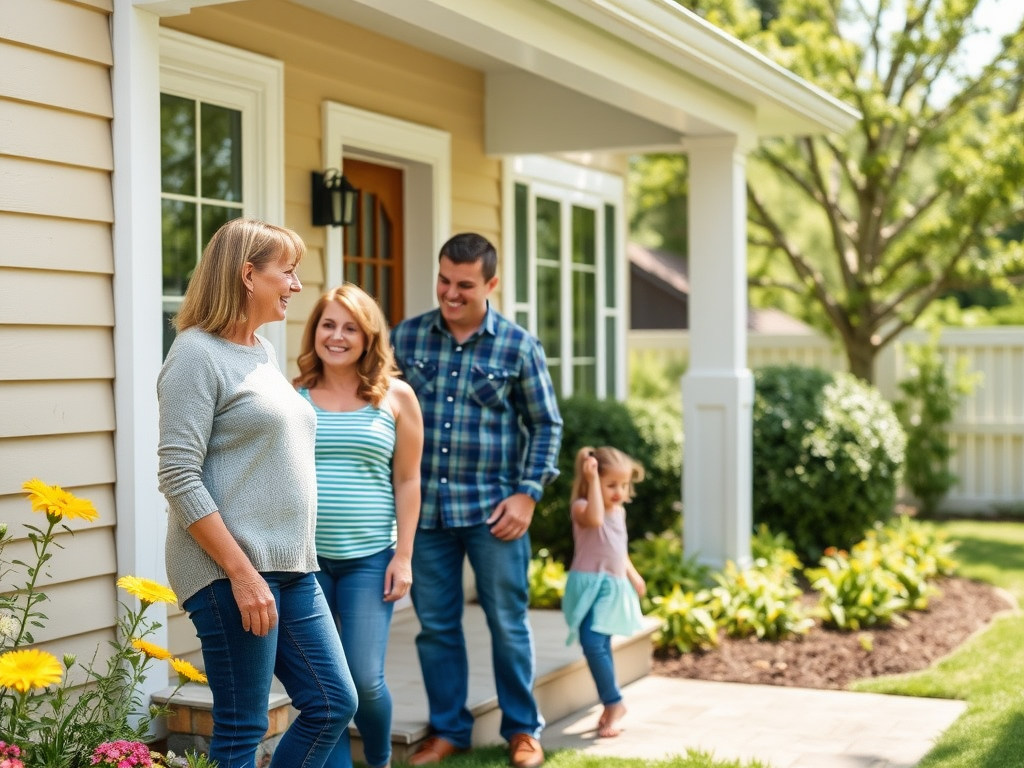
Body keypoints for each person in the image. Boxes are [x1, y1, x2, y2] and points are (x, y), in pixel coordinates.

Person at [156, 218, 357, 768]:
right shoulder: (195, 355)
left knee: (332, 702)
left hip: (292, 565)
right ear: (248, 275)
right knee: (244, 728)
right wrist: (242, 573)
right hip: (230, 570)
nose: (296, 286)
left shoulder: (263, 352)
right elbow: (178, 473)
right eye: (287, 272)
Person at [391, 232, 563, 768]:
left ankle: (522, 730)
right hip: (429, 516)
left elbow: (546, 425)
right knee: (437, 628)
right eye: (444, 280)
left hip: (495, 513)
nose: (450, 292)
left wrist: (528, 496)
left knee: (507, 624)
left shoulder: (517, 346)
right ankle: (448, 731)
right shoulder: (408, 338)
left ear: (491, 283)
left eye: (464, 284)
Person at [293, 284, 424, 768]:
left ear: (368, 337)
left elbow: (408, 480)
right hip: (305, 560)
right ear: (315, 331)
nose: (338, 336)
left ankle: (380, 757)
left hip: (371, 558)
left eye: (350, 327)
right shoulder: (294, 394)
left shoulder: (397, 397)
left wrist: (404, 557)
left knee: (365, 678)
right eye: (328, 324)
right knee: (329, 687)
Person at [562, 446, 647, 739]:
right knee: (596, 642)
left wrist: (632, 574)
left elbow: (618, 550)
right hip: (588, 585)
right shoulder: (582, 507)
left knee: (595, 642)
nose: (619, 492)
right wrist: (593, 482)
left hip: (612, 587)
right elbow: (595, 521)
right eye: (611, 484)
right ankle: (612, 703)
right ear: (592, 481)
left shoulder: (619, 512)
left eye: (624, 485)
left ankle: (614, 703)